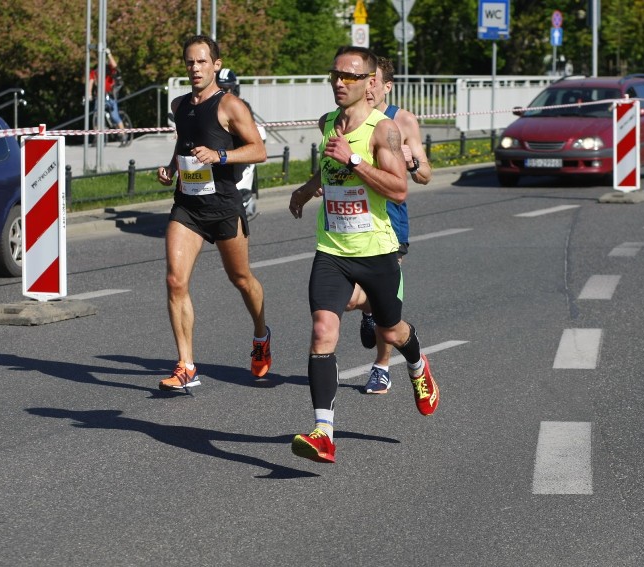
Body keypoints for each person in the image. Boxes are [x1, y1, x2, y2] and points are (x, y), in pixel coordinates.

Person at [287, 46, 439, 463]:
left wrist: (354, 159)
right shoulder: (328, 124)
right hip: (333, 248)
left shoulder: (383, 131)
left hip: (376, 250)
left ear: (370, 82)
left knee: (392, 332)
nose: (339, 82)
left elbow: (399, 188)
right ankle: (323, 432)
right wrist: (305, 189)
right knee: (322, 331)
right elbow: (329, 165)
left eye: (350, 77)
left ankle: (417, 364)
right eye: (335, 74)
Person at [156, 35, 271, 391]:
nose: (195, 68)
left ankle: (261, 333)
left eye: (202, 61)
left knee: (241, 279)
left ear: (216, 65)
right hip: (187, 205)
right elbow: (184, 144)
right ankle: (186, 365)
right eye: (190, 62)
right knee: (175, 280)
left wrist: (220, 156)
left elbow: (258, 151)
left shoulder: (230, 106)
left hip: (222, 205)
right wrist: (171, 169)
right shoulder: (179, 105)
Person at [349, 55, 433, 395]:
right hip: (352, 219)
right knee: (352, 297)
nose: (368, 89)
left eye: (374, 82)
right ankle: (370, 311)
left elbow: (426, 175)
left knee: (385, 296)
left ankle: (381, 367)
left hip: (390, 222)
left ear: (387, 86)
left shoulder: (402, 121)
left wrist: (413, 164)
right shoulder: (348, 118)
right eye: (364, 81)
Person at [216, 67, 267, 221]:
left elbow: (254, 136)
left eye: (227, 88)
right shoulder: (209, 105)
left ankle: (243, 199)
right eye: (220, 88)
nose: (224, 92)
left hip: (232, 155)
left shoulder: (241, 106)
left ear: (235, 88)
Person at [87, 47, 127, 146]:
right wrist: (89, 94)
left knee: (114, 116)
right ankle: (97, 137)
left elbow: (115, 65)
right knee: (96, 116)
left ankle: (123, 135)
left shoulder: (109, 69)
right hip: (99, 96)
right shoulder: (94, 71)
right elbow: (90, 82)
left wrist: (109, 54)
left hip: (110, 95)